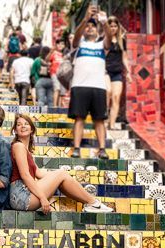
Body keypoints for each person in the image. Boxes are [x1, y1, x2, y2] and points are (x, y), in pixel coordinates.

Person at [10, 114, 113, 213]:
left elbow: (38, 173)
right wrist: (42, 198)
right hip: (21, 196)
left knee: (62, 175)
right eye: (19, 124)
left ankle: (90, 203)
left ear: (32, 129)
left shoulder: (25, 150)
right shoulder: (18, 146)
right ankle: (94, 203)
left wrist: (65, 176)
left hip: (24, 193)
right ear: (15, 130)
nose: (23, 126)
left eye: (26, 123)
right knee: (61, 174)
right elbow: (25, 175)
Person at [68, 5, 112, 159]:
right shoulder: (79, 43)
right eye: (88, 26)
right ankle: (77, 148)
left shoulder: (101, 45)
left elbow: (110, 39)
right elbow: (75, 39)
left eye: (93, 26)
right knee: (79, 118)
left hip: (98, 87)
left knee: (99, 120)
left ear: (98, 30)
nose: (90, 28)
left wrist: (104, 22)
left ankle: (102, 149)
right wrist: (85, 19)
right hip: (79, 86)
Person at [105, 16, 131, 130]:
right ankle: (104, 120)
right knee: (108, 92)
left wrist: (129, 72)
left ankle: (112, 124)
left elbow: (124, 58)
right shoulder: (105, 40)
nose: (113, 28)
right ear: (107, 27)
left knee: (116, 97)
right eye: (111, 26)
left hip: (117, 72)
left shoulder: (122, 41)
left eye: (115, 26)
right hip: (105, 71)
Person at [47, 39, 66, 107]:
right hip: (54, 73)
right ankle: (54, 106)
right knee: (57, 88)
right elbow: (47, 59)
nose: (61, 45)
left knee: (62, 91)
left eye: (62, 44)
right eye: (59, 44)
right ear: (56, 45)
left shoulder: (63, 54)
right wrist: (51, 51)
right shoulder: (54, 53)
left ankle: (59, 106)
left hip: (62, 75)